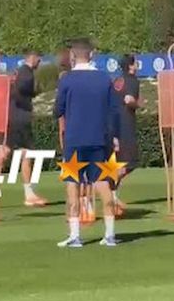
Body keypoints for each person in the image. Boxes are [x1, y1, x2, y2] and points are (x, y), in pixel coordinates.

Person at [54, 38, 120, 248]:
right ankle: (110, 234)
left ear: (73, 56)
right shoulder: (104, 79)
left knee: (72, 184)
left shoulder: (67, 80)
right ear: (92, 54)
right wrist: (114, 136)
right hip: (98, 139)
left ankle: (75, 236)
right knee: (102, 183)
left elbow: (57, 110)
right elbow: (114, 110)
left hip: (74, 139)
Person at [0, 49, 48, 206]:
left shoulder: (17, 72)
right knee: (26, 154)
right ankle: (29, 194)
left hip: (11, 117)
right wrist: (31, 96)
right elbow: (20, 92)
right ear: (33, 57)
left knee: (5, 152)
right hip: (20, 119)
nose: (40, 63)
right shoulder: (27, 74)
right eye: (39, 59)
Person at [111, 54, 144, 216]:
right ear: (131, 66)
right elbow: (128, 99)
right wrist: (139, 105)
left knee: (119, 161)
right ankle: (110, 192)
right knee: (130, 162)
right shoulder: (132, 81)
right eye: (135, 62)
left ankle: (113, 196)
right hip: (126, 124)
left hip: (113, 124)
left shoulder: (117, 81)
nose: (138, 65)